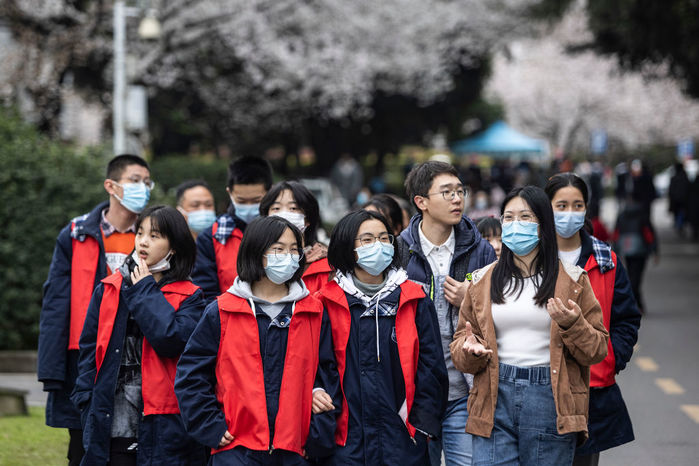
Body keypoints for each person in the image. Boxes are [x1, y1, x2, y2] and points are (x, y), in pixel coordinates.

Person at [450, 185, 609, 466]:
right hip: (493, 395)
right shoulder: (482, 280)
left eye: (525, 217)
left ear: (543, 226)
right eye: (508, 218)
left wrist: (573, 324)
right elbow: (460, 349)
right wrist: (468, 349)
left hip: (549, 396)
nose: (514, 225)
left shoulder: (572, 281)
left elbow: (596, 349)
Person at [174, 216, 339, 465]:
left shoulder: (313, 310)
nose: (289, 256)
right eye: (278, 249)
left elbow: (328, 377)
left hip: (295, 452)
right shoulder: (222, 310)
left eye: (294, 249)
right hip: (236, 450)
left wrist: (316, 437)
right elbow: (191, 376)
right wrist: (210, 427)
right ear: (255, 252)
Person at [38, 154, 152, 466]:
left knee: (134, 438)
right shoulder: (76, 234)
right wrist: (52, 369)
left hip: (136, 352)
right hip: (86, 353)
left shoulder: (153, 235)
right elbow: (56, 302)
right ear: (110, 185)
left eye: (147, 182)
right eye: (134, 180)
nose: (143, 187)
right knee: (82, 438)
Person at [71, 205, 207, 465]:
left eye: (155, 236)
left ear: (174, 246)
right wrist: (86, 399)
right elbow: (89, 349)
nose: (143, 242)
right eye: (140, 232)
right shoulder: (109, 288)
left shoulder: (192, 297)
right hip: (110, 419)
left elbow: (171, 340)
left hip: (166, 422)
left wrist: (144, 289)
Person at [317, 210, 448, 465]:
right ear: (347, 247)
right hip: (345, 441)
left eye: (384, 238)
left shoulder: (414, 298)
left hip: (404, 439)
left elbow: (431, 368)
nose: (378, 245)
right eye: (366, 240)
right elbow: (320, 369)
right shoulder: (325, 302)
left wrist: (421, 426)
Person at [396, 161, 496, 466]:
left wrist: (473, 298)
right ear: (421, 202)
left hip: (465, 391)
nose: (457, 199)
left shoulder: (480, 250)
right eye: (447, 192)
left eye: (460, 191)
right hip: (415, 393)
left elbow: (501, 314)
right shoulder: (400, 251)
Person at [545, 173, 641, 465]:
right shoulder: (530, 258)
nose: (569, 213)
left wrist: (610, 358)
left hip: (591, 395)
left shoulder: (606, 260)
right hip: (538, 389)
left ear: (587, 208)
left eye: (577, 205)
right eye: (561, 205)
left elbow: (626, 319)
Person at [192, 156, 273, 302]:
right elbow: (205, 292)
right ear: (230, 193)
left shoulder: (284, 232)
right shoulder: (212, 236)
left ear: (270, 192)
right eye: (241, 201)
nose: (248, 207)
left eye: (256, 201)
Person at [260, 180, 332, 293]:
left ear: (307, 218)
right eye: (276, 209)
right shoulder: (255, 261)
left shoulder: (327, 268)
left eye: (293, 208)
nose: (283, 214)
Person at [612, 197, 658, 314]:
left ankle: (636, 305)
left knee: (632, 277)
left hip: (627, 251)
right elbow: (649, 234)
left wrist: (615, 251)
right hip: (641, 251)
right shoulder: (642, 215)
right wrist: (654, 251)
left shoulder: (622, 215)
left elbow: (616, 234)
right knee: (635, 279)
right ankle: (638, 305)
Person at [668, 162, 691, 237]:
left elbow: (671, 191)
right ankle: (680, 225)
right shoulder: (685, 177)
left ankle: (679, 226)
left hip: (678, 200)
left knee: (679, 214)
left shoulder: (675, 178)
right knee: (681, 213)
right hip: (683, 200)